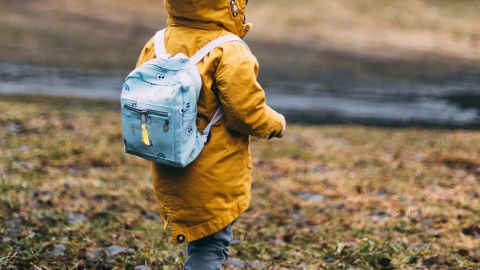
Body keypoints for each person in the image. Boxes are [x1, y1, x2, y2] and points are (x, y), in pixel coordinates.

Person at [135, 0, 286, 269]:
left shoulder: (158, 42)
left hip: (168, 158)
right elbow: (246, 112)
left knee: (200, 238)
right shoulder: (229, 50)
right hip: (213, 167)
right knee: (211, 244)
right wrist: (276, 123)